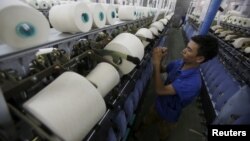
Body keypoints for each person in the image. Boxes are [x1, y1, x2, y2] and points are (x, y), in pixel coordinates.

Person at [134, 35, 218, 141]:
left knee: (163, 134)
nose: (183, 51)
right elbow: (162, 70)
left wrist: (155, 63)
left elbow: (160, 90)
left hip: (169, 115)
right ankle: (138, 133)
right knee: (146, 121)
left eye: (189, 50)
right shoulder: (180, 63)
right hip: (159, 103)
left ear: (200, 58)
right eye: (186, 47)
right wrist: (160, 60)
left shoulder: (192, 83)